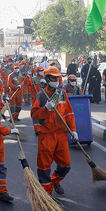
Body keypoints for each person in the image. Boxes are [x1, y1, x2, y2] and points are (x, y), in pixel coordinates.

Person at [31, 66, 77, 195]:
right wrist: (45, 108)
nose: (56, 80)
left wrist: (73, 130)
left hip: (62, 135)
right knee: (44, 167)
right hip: (46, 135)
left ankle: (55, 180)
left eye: (58, 77)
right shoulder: (41, 96)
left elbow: (69, 114)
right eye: (53, 77)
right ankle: (46, 195)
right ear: (46, 79)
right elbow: (34, 115)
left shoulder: (62, 94)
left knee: (66, 165)